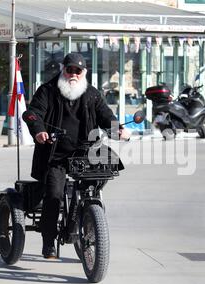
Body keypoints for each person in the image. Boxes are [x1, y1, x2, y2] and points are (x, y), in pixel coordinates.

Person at [23, 52, 130, 259]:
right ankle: (48, 242)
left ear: (84, 73)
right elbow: (33, 112)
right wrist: (39, 130)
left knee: (97, 184)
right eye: (69, 69)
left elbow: (105, 115)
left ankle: (90, 222)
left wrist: (117, 129)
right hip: (55, 154)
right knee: (54, 195)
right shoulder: (47, 90)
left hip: (85, 153)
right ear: (63, 69)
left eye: (77, 71)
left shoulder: (91, 94)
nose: (73, 74)